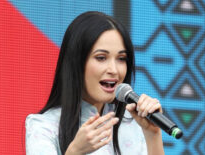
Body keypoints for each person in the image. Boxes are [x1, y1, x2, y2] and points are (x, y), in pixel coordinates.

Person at [25, 11, 164, 155]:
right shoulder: (44, 127)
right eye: (101, 57)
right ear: (76, 63)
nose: (114, 70)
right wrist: (75, 151)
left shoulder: (133, 123)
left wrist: (153, 135)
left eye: (121, 58)